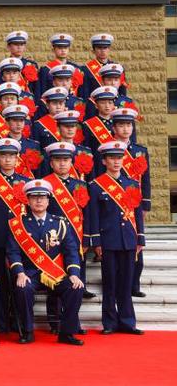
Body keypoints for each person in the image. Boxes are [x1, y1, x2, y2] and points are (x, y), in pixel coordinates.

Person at [7, 179, 85, 345]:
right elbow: (13, 252)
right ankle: (27, 331)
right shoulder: (18, 224)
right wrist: (20, 273)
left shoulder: (60, 223)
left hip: (55, 274)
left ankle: (67, 333)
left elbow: (71, 251)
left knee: (76, 287)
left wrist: (73, 274)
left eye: (42, 197)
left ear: (48, 201)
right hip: (29, 273)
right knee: (23, 288)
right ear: (28, 201)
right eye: (34, 197)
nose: (39, 201)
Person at [90, 140, 145, 335]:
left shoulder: (132, 184)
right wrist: (96, 241)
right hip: (108, 241)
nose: (116, 161)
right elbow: (94, 216)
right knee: (110, 283)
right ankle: (110, 323)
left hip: (128, 239)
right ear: (104, 161)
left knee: (126, 283)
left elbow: (137, 214)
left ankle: (128, 322)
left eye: (119, 158)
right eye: (111, 158)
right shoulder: (96, 186)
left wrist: (140, 238)